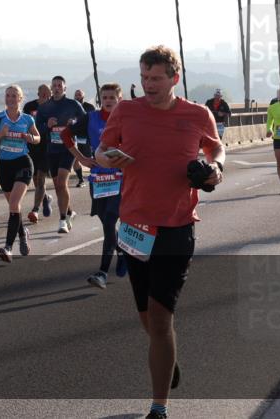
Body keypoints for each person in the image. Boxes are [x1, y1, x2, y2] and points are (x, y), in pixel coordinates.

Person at [95, 46, 224, 419]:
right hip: (134, 225)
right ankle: (166, 361)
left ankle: (158, 407)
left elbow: (217, 150)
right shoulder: (126, 110)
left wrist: (215, 168)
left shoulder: (197, 114)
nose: (148, 85)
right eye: (144, 77)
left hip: (176, 227)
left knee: (161, 315)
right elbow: (103, 150)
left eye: (156, 78)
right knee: (146, 318)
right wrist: (107, 158)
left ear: (174, 79)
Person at [63, 83, 128, 288]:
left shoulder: (127, 120)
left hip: (120, 180)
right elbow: (66, 134)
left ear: (119, 99)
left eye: (112, 97)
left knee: (109, 221)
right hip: (98, 179)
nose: (108, 101)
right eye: (105, 97)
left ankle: (102, 272)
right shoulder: (91, 118)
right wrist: (81, 158)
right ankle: (122, 252)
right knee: (105, 221)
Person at [0, 84, 41, 262]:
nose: (10, 99)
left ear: (20, 99)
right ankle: (23, 234)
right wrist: (0, 135)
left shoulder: (27, 119)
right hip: (5, 166)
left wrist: (31, 138)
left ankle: (7, 247)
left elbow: (38, 138)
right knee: (14, 207)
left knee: (14, 204)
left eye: (14, 96)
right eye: (8, 95)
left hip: (23, 163)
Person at [35, 76, 87, 234]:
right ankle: (70, 212)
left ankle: (63, 220)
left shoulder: (73, 104)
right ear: (52, 88)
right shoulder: (44, 107)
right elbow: (37, 129)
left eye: (60, 85)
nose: (57, 88)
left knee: (62, 182)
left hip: (68, 149)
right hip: (52, 150)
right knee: (58, 186)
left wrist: (74, 124)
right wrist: (47, 125)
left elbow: (85, 121)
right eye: (55, 85)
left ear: (65, 88)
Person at [23, 84, 54, 223]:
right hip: (32, 147)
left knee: (41, 178)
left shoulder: (54, 107)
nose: (45, 96)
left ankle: (35, 209)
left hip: (47, 147)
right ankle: (46, 198)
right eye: (42, 94)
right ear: (38, 93)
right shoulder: (30, 106)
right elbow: (23, 123)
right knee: (35, 180)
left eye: (48, 94)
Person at [72, 89, 96, 188]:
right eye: (76, 95)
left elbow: (94, 120)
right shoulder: (71, 107)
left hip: (87, 136)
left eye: (79, 95)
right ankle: (81, 180)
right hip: (75, 136)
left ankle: (95, 175)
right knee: (75, 158)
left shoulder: (89, 107)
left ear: (83, 96)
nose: (78, 96)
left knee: (88, 158)